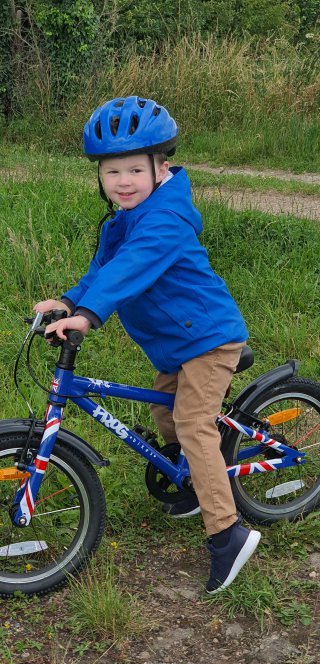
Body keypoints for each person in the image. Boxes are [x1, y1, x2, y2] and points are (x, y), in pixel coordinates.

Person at [34, 95, 261, 593]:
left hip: (208, 338)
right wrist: (70, 301)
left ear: (162, 167)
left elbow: (130, 269)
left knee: (191, 422)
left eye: (135, 169)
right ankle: (199, 484)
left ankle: (228, 535)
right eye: (112, 172)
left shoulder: (164, 220)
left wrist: (90, 315)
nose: (123, 182)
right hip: (175, 345)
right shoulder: (122, 220)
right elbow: (104, 270)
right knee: (164, 414)